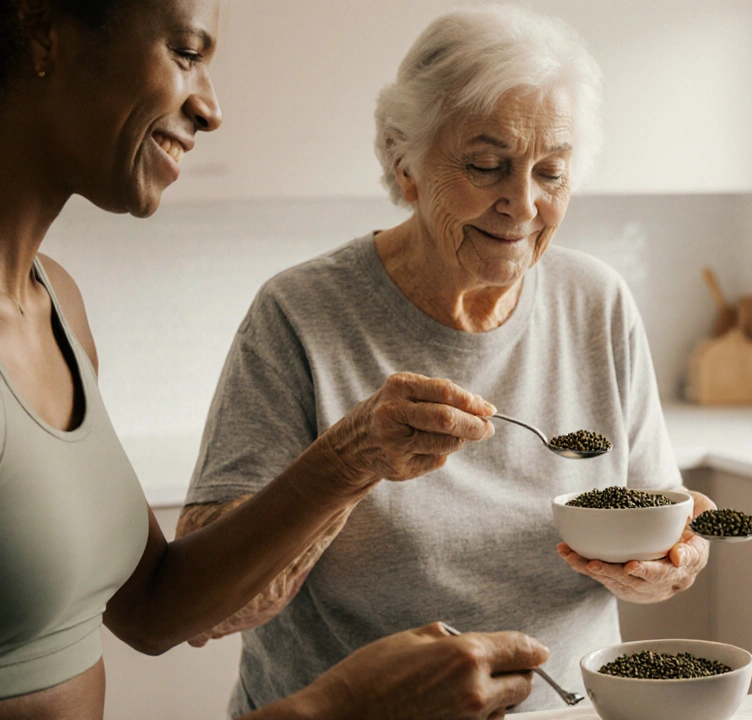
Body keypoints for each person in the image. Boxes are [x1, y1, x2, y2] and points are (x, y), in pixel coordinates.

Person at [0, 1, 550, 718]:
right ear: (44, 29)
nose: (211, 108)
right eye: (186, 52)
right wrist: (340, 707)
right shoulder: (296, 310)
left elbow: (156, 608)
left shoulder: (55, 305)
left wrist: (356, 454)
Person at [176, 6, 713, 715]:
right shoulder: (300, 315)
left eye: (551, 172)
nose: (523, 203)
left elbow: (660, 516)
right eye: (487, 165)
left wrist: (668, 563)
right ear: (405, 163)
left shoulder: (597, 302)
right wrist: (353, 462)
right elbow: (203, 611)